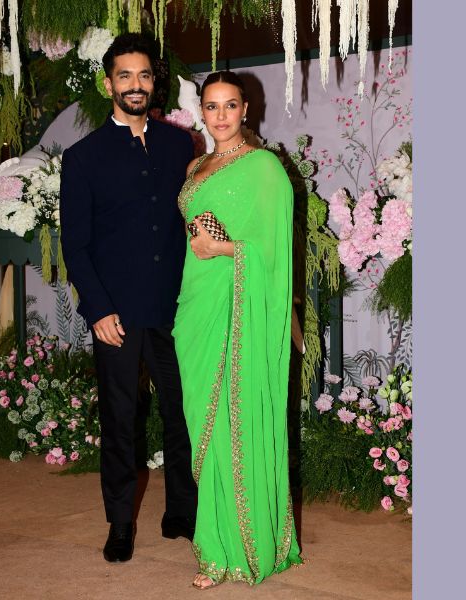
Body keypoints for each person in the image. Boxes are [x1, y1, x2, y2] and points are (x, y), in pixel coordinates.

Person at [59, 33, 198, 563]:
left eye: (143, 75)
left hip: (175, 306)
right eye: (125, 76)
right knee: (120, 420)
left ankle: (181, 511)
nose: (135, 85)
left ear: (153, 82)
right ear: (108, 83)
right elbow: (76, 244)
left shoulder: (179, 145)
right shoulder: (83, 157)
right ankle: (120, 523)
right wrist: (97, 309)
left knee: (183, 413)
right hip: (115, 312)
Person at [172, 71, 303, 589]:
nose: (221, 115)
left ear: (246, 110)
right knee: (200, 427)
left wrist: (225, 247)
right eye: (211, 106)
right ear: (201, 112)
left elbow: (273, 250)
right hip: (196, 306)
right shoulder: (195, 167)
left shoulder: (264, 167)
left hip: (236, 307)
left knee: (230, 422)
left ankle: (224, 551)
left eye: (230, 105)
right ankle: (216, 540)